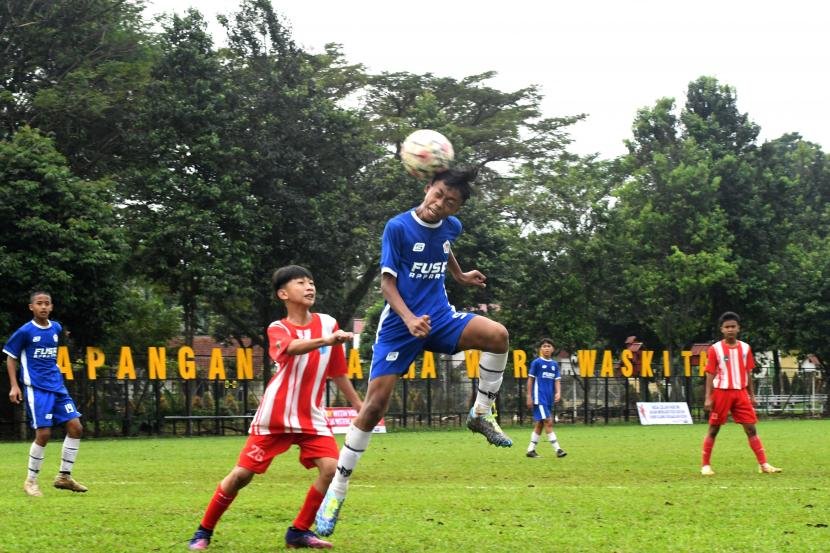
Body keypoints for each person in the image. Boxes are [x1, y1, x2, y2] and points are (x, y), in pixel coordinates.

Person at [315, 167, 512, 537]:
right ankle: (336, 492)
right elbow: (386, 284)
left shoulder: (451, 227)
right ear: (427, 188)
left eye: (450, 202)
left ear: (456, 209)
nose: (440, 204)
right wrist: (408, 319)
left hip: (439, 317)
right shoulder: (398, 227)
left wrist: (458, 276)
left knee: (498, 336)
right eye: (438, 194)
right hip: (399, 326)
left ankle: (481, 414)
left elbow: (445, 247)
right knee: (374, 408)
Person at [187, 265, 363, 550]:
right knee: (241, 476)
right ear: (283, 293)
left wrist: (359, 405)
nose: (309, 286)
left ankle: (298, 532)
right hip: (276, 416)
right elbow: (292, 348)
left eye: (311, 281)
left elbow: (337, 371)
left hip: (312, 416)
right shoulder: (278, 328)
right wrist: (326, 341)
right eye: (300, 282)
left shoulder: (329, 322)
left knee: (331, 468)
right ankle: (203, 531)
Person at [3, 291, 87, 496]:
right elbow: (11, 358)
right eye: (39, 303)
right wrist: (14, 386)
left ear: (51, 307)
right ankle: (30, 481)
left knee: (76, 427)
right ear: (31, 307)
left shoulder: (56, 328)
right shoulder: (25, 331)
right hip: (36, 389)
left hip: (57, 387)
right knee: (44, 433)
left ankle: (64, 477)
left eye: (47, 303)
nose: (43, 307)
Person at [700, 311, 781, 476]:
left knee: (751, 428)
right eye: (727, 327)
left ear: (738, 328)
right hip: (721, 393)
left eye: (733, 326)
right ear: (721, 329)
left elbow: (748, 373)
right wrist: (708, 397)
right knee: (714, 429)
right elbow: (710, 373)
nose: (730, 329)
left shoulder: (745, 348)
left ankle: (763, 464)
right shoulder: (715, 349)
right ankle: (705, 465)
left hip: (741, 393)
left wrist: (752, 395)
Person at [525, 338, 567, 458]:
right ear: (540, 349)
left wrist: (558, 393)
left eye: (549, 346)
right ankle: (558, 449)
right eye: (544, 346)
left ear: (553, 349)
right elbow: (530, 380)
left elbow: (557, 380)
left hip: (549, 399)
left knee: (540, 424)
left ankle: (530, 450)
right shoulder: (537, 363)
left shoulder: (554, 365)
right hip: (539, 397)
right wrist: (529, 396)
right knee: (548, 421)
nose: (546, 348)